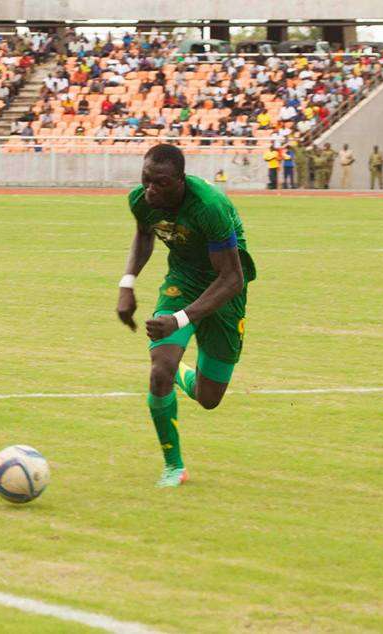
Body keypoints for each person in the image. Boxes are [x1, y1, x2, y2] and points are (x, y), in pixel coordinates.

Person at [116, 144, 256, 487]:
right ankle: (173, 467)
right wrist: (127, 283)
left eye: (160, 184)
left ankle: (179, 370)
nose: (151, 189)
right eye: (146, 180)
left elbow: (232, 278)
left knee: (209, 398)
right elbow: (145, 236)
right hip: (182, 281)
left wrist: (179, 320)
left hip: (224, 287)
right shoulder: (141, 199)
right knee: (158, 371)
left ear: (181, 181)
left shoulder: (210, 207)